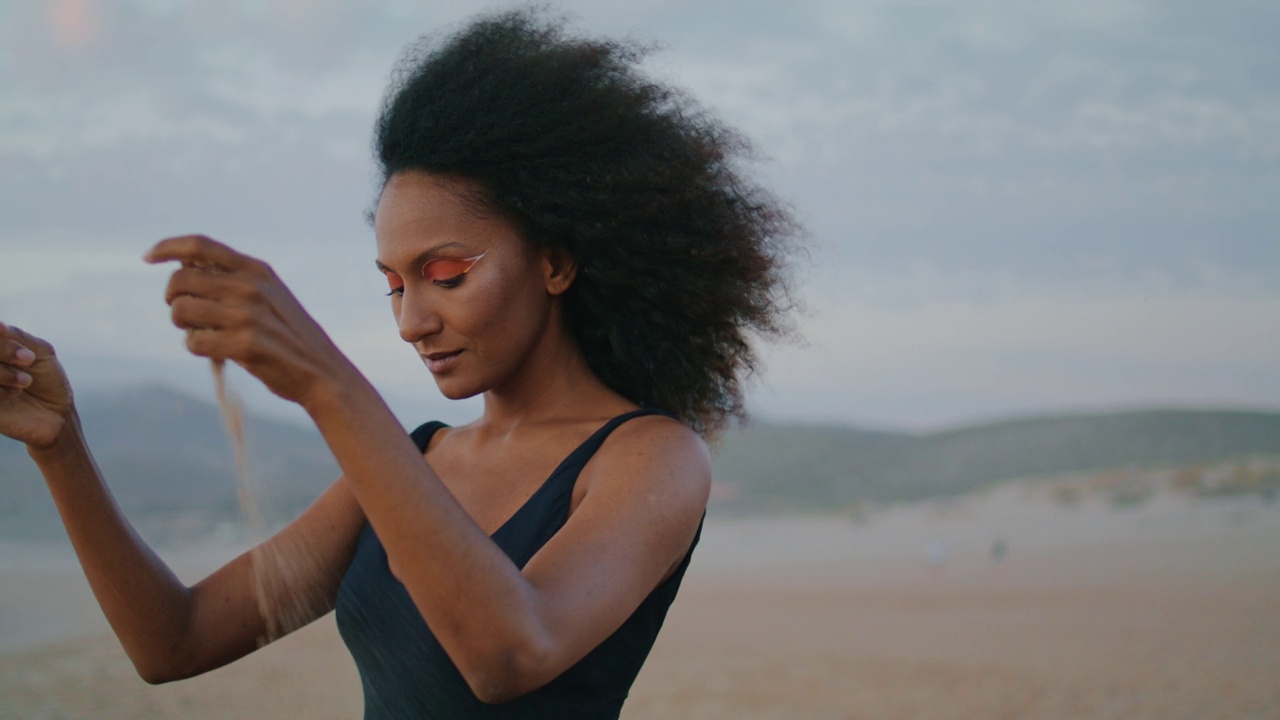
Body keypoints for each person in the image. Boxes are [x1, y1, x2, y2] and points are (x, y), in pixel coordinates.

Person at [0, 8, 798, 718]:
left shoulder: (650, 456)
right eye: (392, 284)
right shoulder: (418, 461)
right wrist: (61, 446)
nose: (413, 320)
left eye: (446, 274)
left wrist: (327, 382)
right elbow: (173, 643)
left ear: (554, 262)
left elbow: (507, 654)